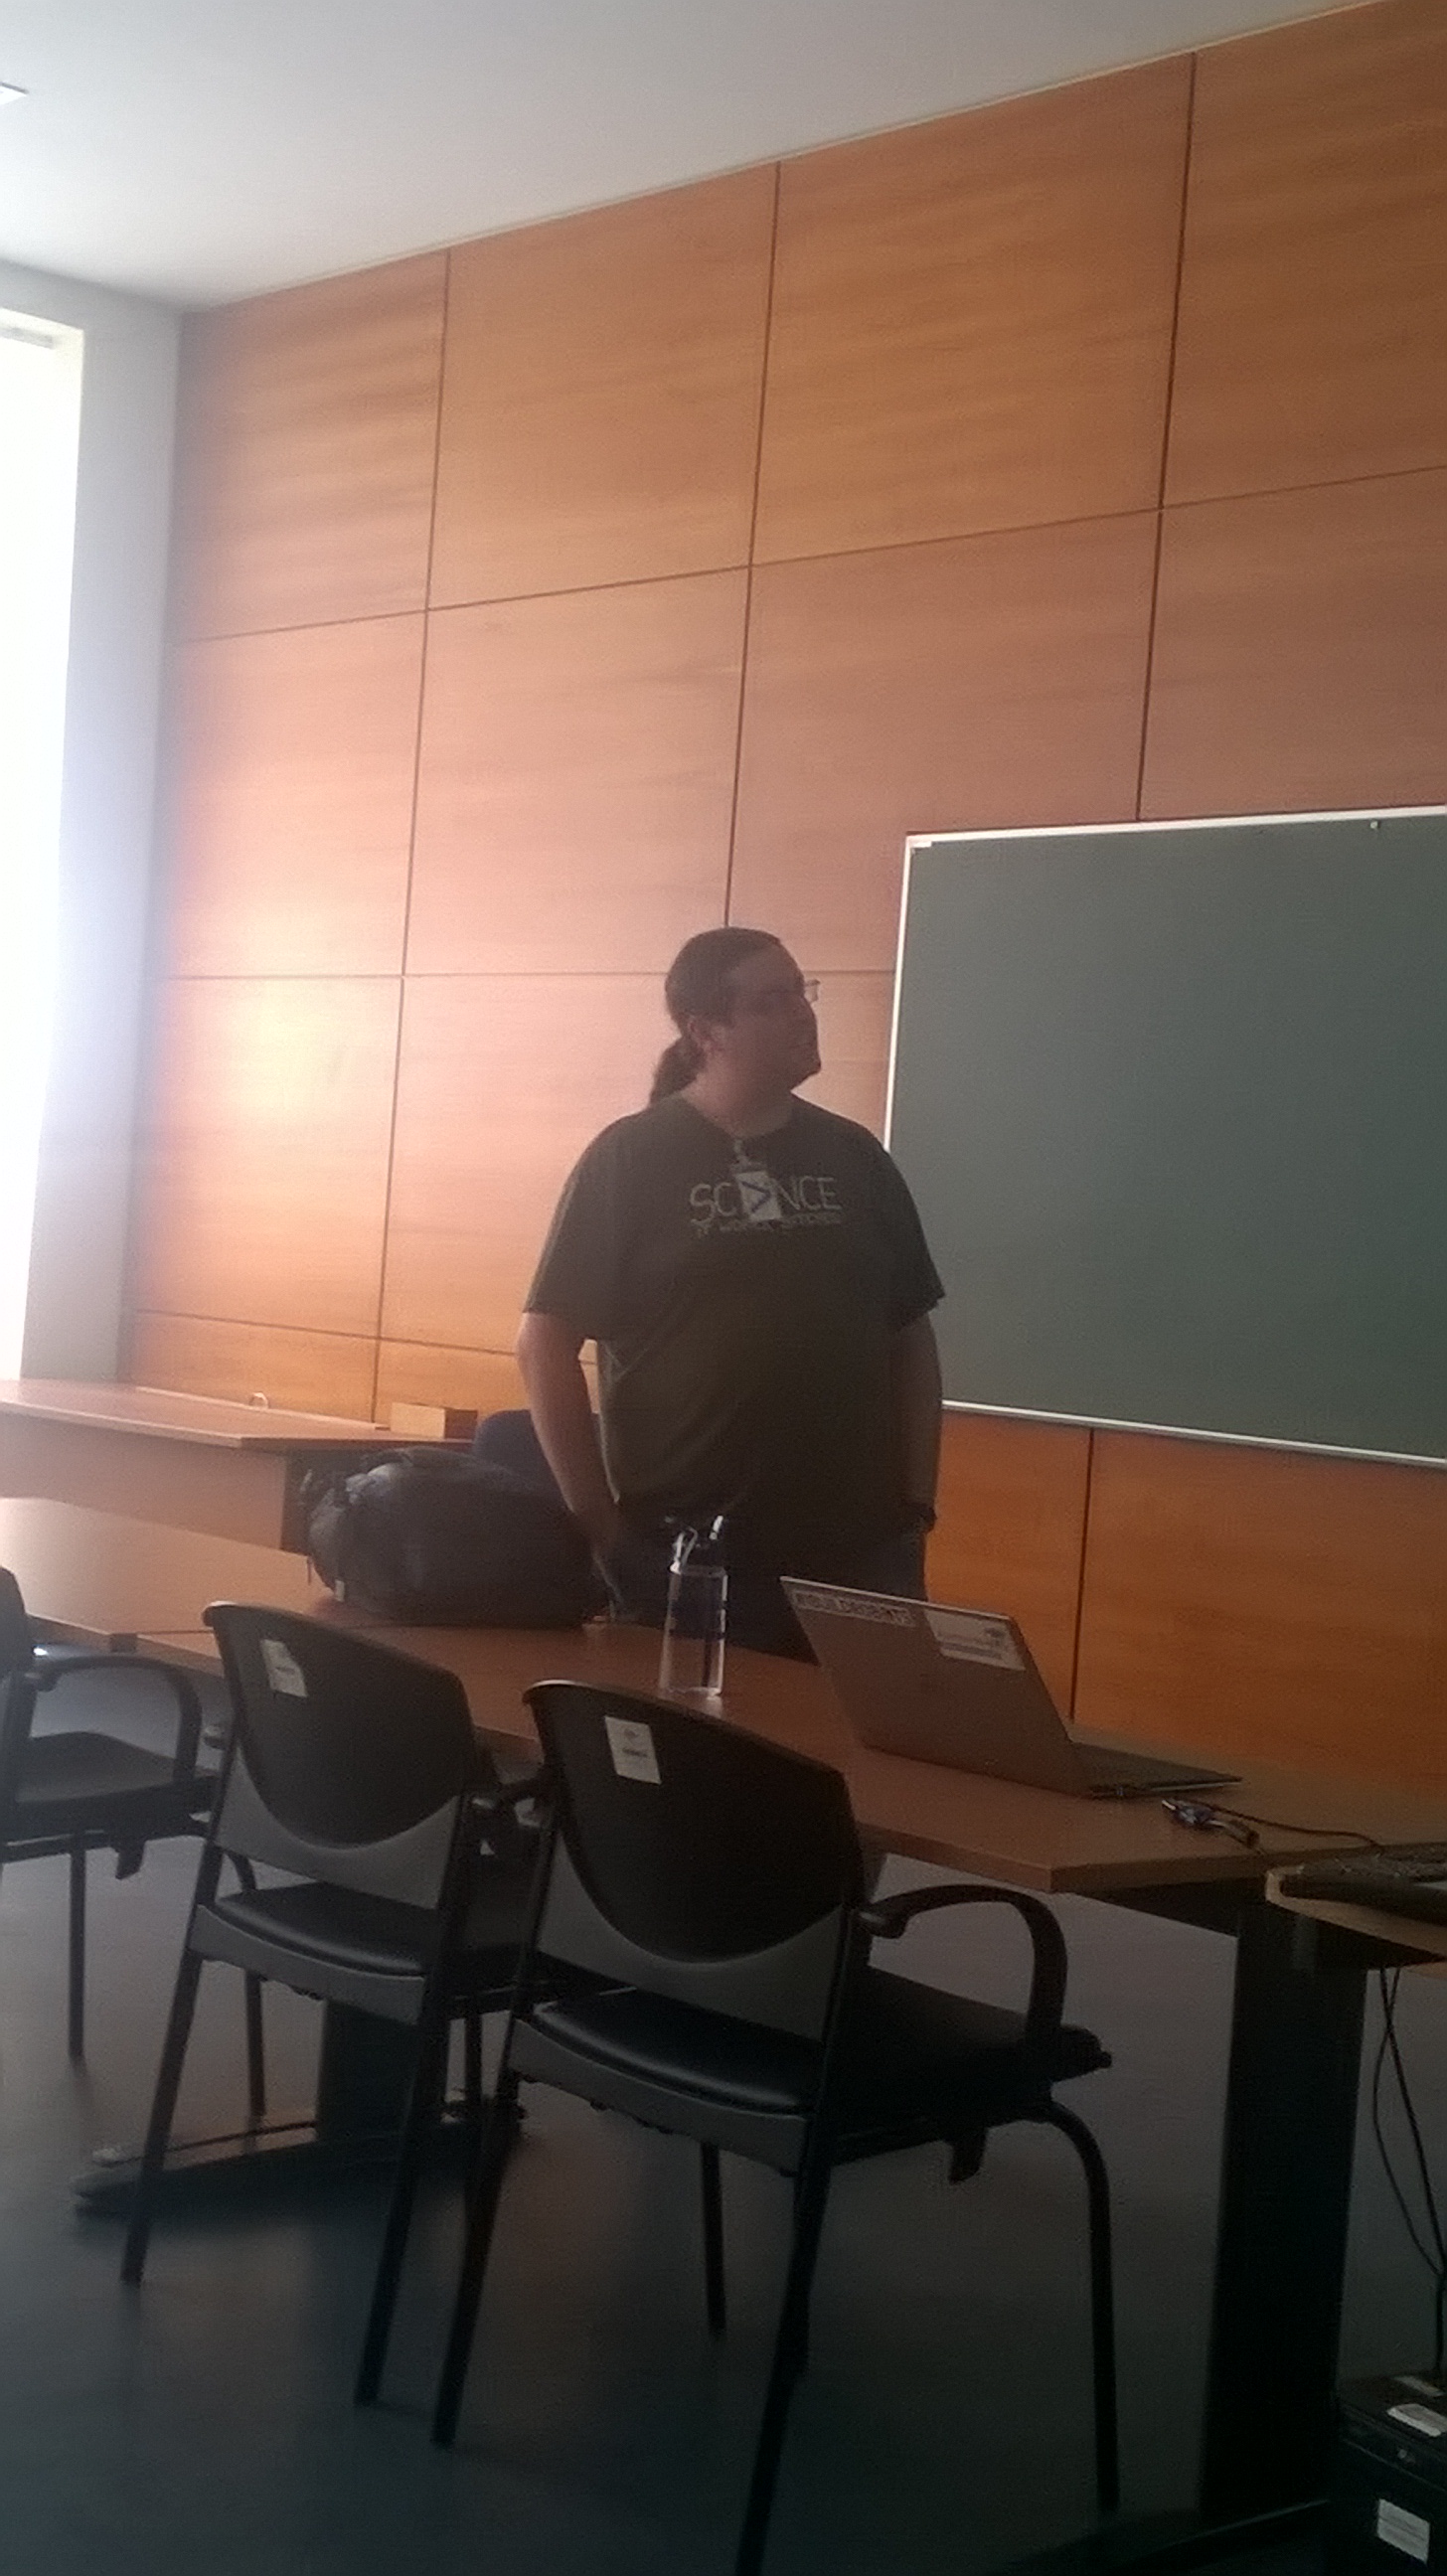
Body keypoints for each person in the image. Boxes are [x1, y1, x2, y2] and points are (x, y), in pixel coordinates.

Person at [516, 925, 944, 1657]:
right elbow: (543, 1344)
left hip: (861, 1556)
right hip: (691, 1555)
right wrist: (601, 1525)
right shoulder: (630, 1158)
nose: (802, 1014)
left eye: (801, 992)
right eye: (771, 1001)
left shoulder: (855, 1157)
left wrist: (916, 1506)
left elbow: (909, 1334)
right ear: (705, 1031)